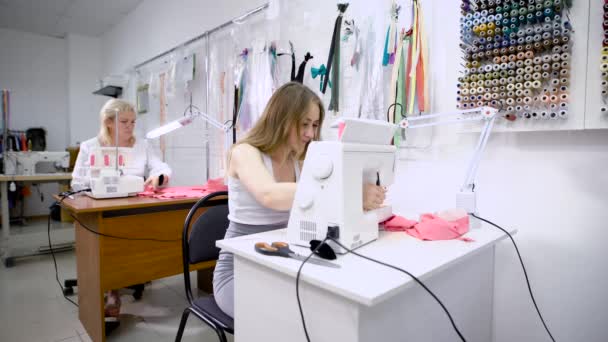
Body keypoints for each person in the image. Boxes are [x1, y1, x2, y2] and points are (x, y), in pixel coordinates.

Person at [213, 82, 386, 318]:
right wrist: (352, 191)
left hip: (280, 260)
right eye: (304, 124)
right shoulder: (244, 152)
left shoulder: (300, 161)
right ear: (281, 118)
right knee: (289, 318)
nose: (310, 133)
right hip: (239, 270)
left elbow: (322, 199)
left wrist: (359, 202)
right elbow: (270, 194)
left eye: (314, 125)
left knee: (325, 308)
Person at [71, 98, 172, 324]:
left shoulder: (142, 145)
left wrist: (159, 176)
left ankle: (131, 274)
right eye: (124, 121)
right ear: (108, 122)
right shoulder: (90, 146)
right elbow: (76, 183)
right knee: (109, 243)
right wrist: (104, 181)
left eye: (133, 122)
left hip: (136, 210)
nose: (130, 126)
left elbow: (162, 168)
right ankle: (111, 290)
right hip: (103, 211)